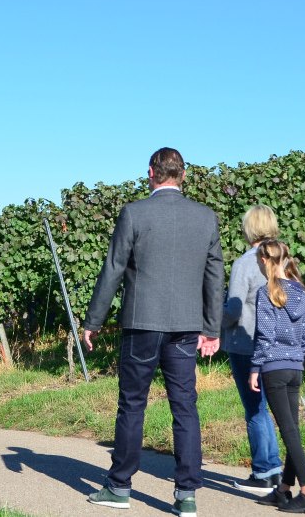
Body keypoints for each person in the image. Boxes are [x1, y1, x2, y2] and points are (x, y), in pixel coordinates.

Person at [82, 147, 225, 517]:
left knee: (132, 404)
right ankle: (187, 495)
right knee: (185, 406)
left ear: (151, 172)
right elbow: (214, 277)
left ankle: (119, 487)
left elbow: (113, 269)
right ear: (183, 174)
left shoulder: (134, 213)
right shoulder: (205, 218)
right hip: (186, 327)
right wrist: (212, 329)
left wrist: (93, 321)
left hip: (142, 324)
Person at [249, 239, 305, 513]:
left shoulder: (266, 292)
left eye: (260, 261)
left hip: (274, 368)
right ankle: (283, 490)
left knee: (289, 430)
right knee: (293, 428)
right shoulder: (302, 294)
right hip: (295, 367)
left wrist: (255, 367)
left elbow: (265, 336)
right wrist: (296, 357)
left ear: (266, 261)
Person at [221, 205, 284, 494]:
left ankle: (263, 472)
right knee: (270, 407)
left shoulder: (245, 262)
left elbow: (234, 308)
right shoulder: (283, 258)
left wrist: (213, 323)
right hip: (279, 343)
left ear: (249, 229)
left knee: (254, 408)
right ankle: (274, 468)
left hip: (247, 343)